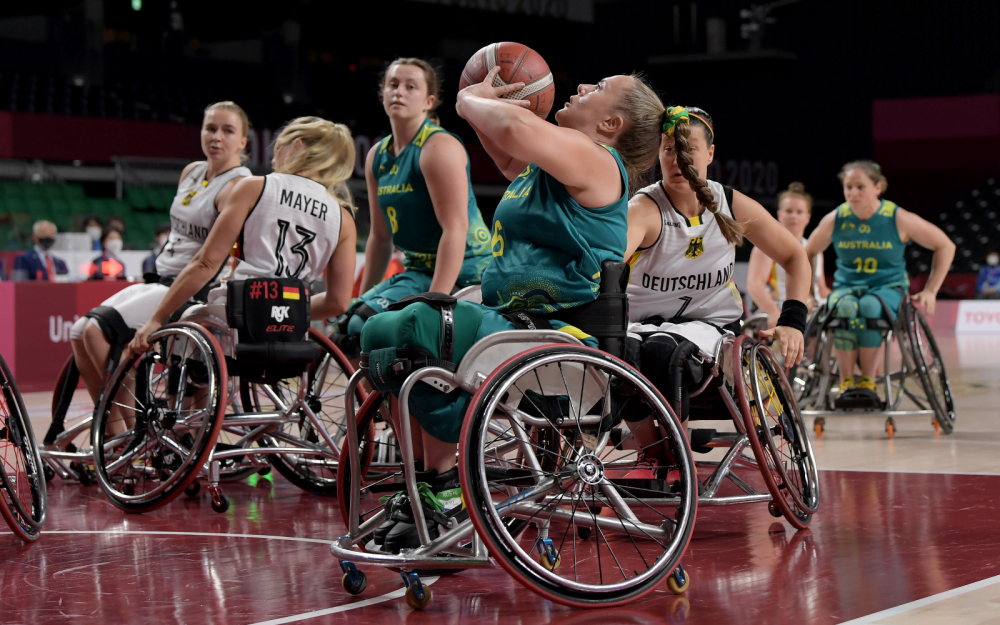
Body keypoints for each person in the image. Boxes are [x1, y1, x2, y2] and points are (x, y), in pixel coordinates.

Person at [361, 67, 668, 553]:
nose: (583, 85)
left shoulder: (600, 162)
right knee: (380, 329)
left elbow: (513, 130)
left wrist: (467, 100)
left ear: (612, 125)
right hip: (510, 325)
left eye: (600, 89)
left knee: (417, 326)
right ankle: (426, 486)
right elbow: (507, 149)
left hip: (554, 336)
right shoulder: (550, 168)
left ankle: (444, 489)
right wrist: (489, 92)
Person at [622, 107, 810, 431]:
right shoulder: (643, 210)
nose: (678, 158)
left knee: (665, 352)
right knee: (628, 348)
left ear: (709, 154)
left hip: (714, 332)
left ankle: (670, 449)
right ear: (658, 153)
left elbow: (794, 256)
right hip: (643, 329)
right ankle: (650, 444)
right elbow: (603, 268)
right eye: (669, 149)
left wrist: (793, 320)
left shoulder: (731, 203)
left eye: (688, 149)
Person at [66, 102, 252, 410]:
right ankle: (117, 433)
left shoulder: (237, 186)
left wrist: (154, 320)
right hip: (160, 278)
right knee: (77, 333)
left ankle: (119, 431)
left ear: (243, 141)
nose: (216, 137)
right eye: (210, 128)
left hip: (192, 290)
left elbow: (208, 262)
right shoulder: (191, 171)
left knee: (95, 332)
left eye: (227, 131)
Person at [129, 115, 357, 353]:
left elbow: (206, 262)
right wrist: (285, 309)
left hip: (237, 313)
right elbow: (338, 302)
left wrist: (156, 318)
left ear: (297, 146)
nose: (272, 158)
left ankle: (193, 386)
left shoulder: (254, 187)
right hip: (290, 322)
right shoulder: (344, 218)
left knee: (187, 318)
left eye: (278, 148)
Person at [340, 58, 492, 347]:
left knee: (363, 324)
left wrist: (432, 303)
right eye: (393, 85)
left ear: (428, 101)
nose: (399, 92)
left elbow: (455, 229)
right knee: (349, 323)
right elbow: (381, 237)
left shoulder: (438, 147)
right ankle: (386, 394)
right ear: (382, 93)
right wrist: (365, 293)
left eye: (411, 87)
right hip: (419, 270)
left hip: (467, 272)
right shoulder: (377, 155)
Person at [804, 161, 955, 401]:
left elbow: (945, 245)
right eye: (848, 187)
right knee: (844, 307)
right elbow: (807, 252)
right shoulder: (837, 218)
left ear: (877, 188)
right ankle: (845, 382)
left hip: (888, 288)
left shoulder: (897, 217)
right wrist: (809, 293)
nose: (853, 193)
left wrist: (931, 290)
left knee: (869, 307)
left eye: (860, 187)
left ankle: (868, 380)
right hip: (847, 288)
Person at [746, 182, 830, 328]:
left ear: (808, 217)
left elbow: (821, 288)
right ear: (779, 214)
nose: (794, 216)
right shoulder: (766, 246)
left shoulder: (815, 249)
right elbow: (754, 285)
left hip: (812, 316)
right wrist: (773, 312)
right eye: (789, 211)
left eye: (799, 212)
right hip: (780, 311)